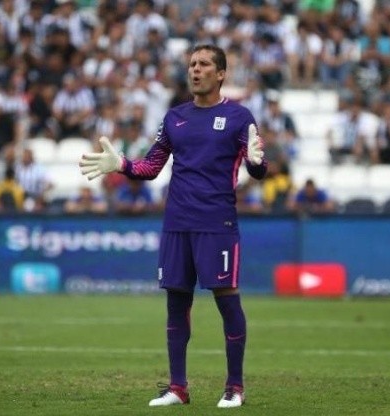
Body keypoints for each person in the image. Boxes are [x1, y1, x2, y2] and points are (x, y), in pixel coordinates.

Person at [79, 44, 267, 409]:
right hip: (177, 222)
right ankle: (178, 388)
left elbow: (258, 167)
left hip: (217, 222)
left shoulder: (240, 117)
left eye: (204, 65)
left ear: (221, 73)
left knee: (227, 301)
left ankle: (235, 387)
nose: (195, 70)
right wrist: (121, 165)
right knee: (175, 303)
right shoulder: (174, 118)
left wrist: (258, 164)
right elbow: (151, 167)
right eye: (192, 64)